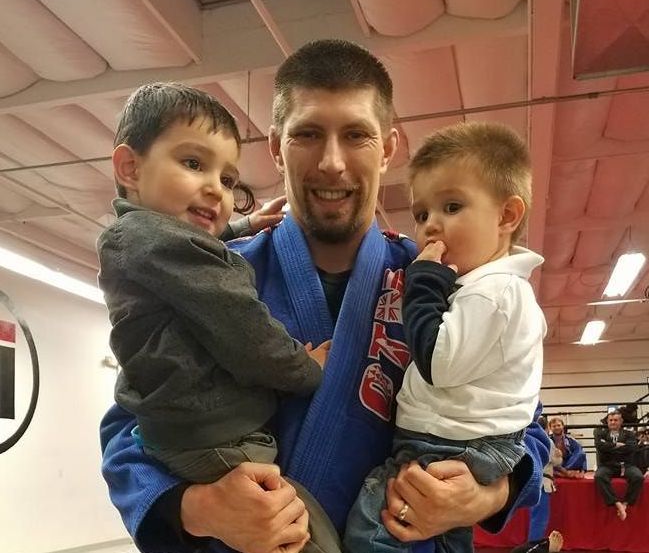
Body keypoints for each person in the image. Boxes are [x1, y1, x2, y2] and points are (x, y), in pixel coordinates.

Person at [100, 39, 550, 553]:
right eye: (308, 134)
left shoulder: (447, 284)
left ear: (388, 148)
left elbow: (522, 424)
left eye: (356, 135)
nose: (332, 163)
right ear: (275, 146)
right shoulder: (211, 274)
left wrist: (487, 493)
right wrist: (198, 508)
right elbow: (130, 431)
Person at [98, 82, 341, 552]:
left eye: (228, 180)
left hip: (202, 435)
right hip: (219, 441)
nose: (215, 187)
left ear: (390, 147)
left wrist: (244, 223)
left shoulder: (408, 274)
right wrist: (191, 508)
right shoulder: (177, 251)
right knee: (308, 536)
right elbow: (249, 335)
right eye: (193, 163)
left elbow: (184, 244)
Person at [343, 121, 547, 553]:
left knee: (374, 529)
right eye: (421, 214)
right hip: (453, 441)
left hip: (449, 446)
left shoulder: (493, 292)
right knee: (447, 539)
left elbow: (437, 361)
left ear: (507, 216)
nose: (431, 226)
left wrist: (422, 283)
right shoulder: (479, 289)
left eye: (452, 207)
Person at [593, 410, 644, 521]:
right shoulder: (600, 433)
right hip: (607, 465)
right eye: (610, 420)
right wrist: (617, 445)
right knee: (599, 476)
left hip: (626, 465)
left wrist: (609, 448)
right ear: (607, 421)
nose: (613, 422)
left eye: (616, 420)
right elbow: (599, 446)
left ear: (621, 421)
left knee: (638, 477)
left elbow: (631, 448)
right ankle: (617, 503)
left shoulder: (629, 434)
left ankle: (625, 503)